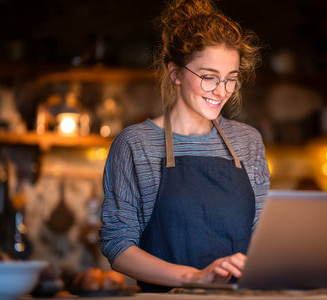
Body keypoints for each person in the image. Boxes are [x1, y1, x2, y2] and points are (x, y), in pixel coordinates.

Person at [99, 0, 270, 292]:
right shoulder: (135, 145)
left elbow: (265, 237)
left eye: (231, 80)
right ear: (175, 73)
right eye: (208, 78)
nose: (221, 92)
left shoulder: (248, 142)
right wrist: (193, 277)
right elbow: (118, 245)